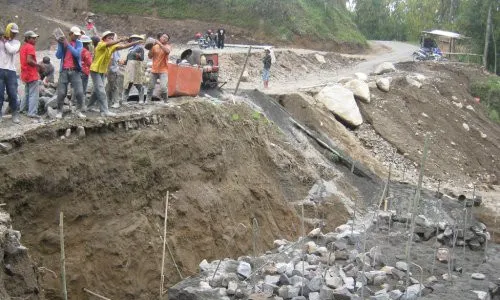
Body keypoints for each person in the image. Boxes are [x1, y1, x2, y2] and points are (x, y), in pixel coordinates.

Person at [88, 30, 142, 117]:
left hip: (102, 71)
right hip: (95, 70)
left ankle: (89, 106)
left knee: (96, 90)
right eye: (109, 38)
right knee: (101, 90)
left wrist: (135, 42)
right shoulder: (100, 44)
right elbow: (111, 44)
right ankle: (105, 111)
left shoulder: (111, 47)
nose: (111, 40)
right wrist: (120, 40)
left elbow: (124, 46)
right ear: (104, 39)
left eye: (112, 38)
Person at [54, 26, 86, 119]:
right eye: (75, 35)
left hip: (75, 71)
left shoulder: (79, 43)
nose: (77, 37)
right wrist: (60, 44)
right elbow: (58, 56)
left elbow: (76, 54)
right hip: (64, 71)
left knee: (80, 92)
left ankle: (79, 110)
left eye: (78, 35)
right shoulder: (63, 43)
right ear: (70, 34)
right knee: (61, 92)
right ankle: (59, 111)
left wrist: (67, 44)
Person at [0, 23, 21, 124]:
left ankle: (15, 114)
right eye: (12, 32)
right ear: (8, 31)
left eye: (15, 33)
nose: (14, 35)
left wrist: (5, 41)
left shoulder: (16, 42)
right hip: (0, 70)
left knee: (13, 94)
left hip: (11, 71)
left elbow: (12, 50)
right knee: (0, 94)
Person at [19, 30, 43, 118]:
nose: (35, 40)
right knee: (34, 94)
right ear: (28, 38)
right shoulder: (30, 47)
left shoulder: (23, 47)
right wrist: (39, 65)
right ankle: (32, 113)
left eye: (35, 38)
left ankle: (22, 110)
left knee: (27, 92)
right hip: (31, 73)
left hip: (25, 73)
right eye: (33, 38)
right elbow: (29, 60)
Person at [146, 33, 171, 104]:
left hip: (163, 70)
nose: (164, 38)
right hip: (154, 69)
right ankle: (148, 100)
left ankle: (166, 100)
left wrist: (159, 43)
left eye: (166, 38)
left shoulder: (168, 46)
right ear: (160, 37)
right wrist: (151, 48)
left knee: (163, 87)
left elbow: (167, 51)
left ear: (167, 40)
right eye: (163, 37)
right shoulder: (155, 46)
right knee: (150, 87)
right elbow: (150, 56)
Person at [122, 34, 146, 105]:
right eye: (133, 39)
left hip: (137, 67)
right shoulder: (130, 49)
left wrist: (138, 55)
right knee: (128, 83)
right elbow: (127, 59)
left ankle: (141, 99)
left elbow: (142, 58)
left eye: (135, 39)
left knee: (138, 82)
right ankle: (124, 100)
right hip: (129, 67)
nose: (134, 40)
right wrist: (124, 62)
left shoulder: (140, 48)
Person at [106, 43, 122, 108]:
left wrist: (107, 69)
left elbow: (111, 59)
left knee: (114, 86)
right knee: (110, 87)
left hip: (112, 70)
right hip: (112, 69)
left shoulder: (113, 48)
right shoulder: (112, 48)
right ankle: (110, 101)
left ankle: (116, 102)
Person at [79, 35, 93, 101]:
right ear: (87, 43)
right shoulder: (86, 52)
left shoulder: (77, 49)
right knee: (83, 87)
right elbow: (90, 62)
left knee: (77, 86)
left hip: (77, 70)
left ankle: (74, 101)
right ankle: (81, 102)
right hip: (84, 71)